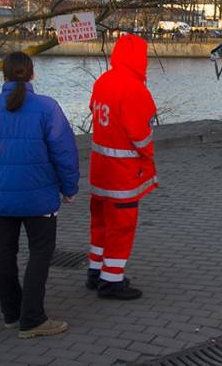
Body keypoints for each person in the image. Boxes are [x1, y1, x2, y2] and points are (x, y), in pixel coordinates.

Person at [0, 52, 79, 338]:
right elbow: (64, 153)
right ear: (32, 75)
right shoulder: (47, 108)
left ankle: (11, 312)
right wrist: (69, 187)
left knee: (3, 253)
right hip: (39, 198)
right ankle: (32, 318)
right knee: (40, 254)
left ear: (2, 75)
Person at [87, 33, 158, 300]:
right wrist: (148, 157)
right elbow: (141, 136)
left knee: (100, 223)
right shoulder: (135, 89)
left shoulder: (103, 81)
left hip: (100, 170)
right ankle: (111, 280)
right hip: (123, 174)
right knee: (122, 227)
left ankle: (95, 271)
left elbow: (95, 110)